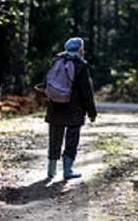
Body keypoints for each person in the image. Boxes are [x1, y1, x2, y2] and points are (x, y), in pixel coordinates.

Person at [44, 37, 97, 180]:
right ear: (80, 49)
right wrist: (92, 112)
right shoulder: (81, 65)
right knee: (72, 140)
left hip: (55, 107)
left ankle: (51, 169)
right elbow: (87, 91)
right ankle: (67, 171)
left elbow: (47, 82)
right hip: (75, 109)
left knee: (54, 139)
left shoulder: (56, 60)